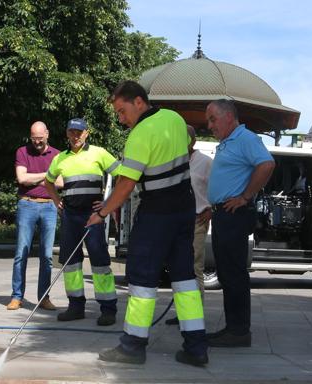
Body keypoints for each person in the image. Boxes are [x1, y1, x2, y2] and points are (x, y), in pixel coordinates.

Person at [87, 80, 208, 366]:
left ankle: (132, 345)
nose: (121, 119)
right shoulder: (175, 120)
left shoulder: (140, 134)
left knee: (141, 278)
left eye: (122, 111)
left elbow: (127, 184)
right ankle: (196, 347)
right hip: (184, 209)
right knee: (185, 280)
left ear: (139, 102)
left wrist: (102, 213)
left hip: (157, 212)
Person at [205, 99, 275, 347]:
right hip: (224, 214)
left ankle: (239, 331)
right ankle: (234, 328)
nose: (210, 125)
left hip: (235, 215)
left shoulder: (245, 138)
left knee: (233, 273)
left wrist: (245, 196)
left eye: (213, 119)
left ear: (229, 117)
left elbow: (266, 164)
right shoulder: (227, 142)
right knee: (227, 272)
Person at [44, 118, 122, 327]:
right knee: (71, 263)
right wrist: (56, 200)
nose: (75, 136)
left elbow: (123, 175)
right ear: (67, 133)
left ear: (87, 133)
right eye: (71, 132)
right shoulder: (60, 158)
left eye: (79, 132)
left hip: (92, 215)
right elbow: (48, 182)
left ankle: (108, 308)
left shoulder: (99, 152)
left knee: (100, 261)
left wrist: (108, 203)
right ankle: (75, 306)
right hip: (70, 215)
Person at [7, 121, 60, 311]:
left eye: (40, 138)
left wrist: (34, 177)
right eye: (33, 138)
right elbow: (22, 178)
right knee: (21, 252)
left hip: (49, 207)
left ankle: (44, 297)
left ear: (47, 134)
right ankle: (17, 296)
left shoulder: (57, 155)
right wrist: (47, 176)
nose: (37, 141)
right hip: (27, 204)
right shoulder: (22, 152)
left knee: (46, 255)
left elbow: (61, 182)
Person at [165, 125, 213, 325]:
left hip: (196, 220)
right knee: (177, 268)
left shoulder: (206, 162)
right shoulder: (171, 160)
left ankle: (195, 315)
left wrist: (211, 208)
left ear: (192, 141)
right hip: (175, 219)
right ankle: (183, 311)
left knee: (194, 268)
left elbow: (216, 189)